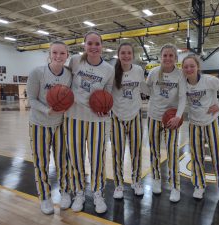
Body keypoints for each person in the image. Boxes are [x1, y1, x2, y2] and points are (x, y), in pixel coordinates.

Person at [65, 31, 114, 213]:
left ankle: (97, 193)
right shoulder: (75, 61)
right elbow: (66, 84)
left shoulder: (108, 69)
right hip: (73, 117)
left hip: (97, 120)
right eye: (90, 43)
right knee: (75, 158)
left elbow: (108, 94)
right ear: (84, 45)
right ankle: (78, 192)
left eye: (97, 44)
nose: (94, 47)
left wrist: (106, 107)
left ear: (102, 46)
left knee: (97, 159)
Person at [181, 54, 219, 204]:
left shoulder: (209, 80)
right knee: (196, 157)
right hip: (194, 124)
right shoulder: (183, 84)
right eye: (186, 67)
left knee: (218, 156)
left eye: (192, 66)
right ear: (183, 69)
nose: (189, 69)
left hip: (213, 121)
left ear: (198, 67)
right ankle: (199, 185)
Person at [27, 41, 72, 215]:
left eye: (62, 53)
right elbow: (31, 99)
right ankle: (45, 197)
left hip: (60, 124)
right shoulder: (37, 72)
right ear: (49, 54)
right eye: (55, 53)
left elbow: (69, 97)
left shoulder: (69, 74)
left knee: (63, 161)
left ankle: (65, 191)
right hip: (39, 124)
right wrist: (48, 110)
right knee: (42, 163)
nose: (58, 56)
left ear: (67, 55)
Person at [146, 44, 186, 202]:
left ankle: (175, 186)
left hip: (171, 119)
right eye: (165, 55)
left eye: (171, 55)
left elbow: (182, 97)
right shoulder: (154, 73)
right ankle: (156, 179)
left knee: (172, 152)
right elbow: (147, 89)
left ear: (175, 58)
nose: (168, 58)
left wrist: (178, 115)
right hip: (153, 117)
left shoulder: (180, 75)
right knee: (154, 151)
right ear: (160, 57)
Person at [111, 43, 145, 199]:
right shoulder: (112, 72)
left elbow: (144, 89)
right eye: (123, 53)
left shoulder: (138, 70)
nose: (126, 55)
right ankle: (118, 184)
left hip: (135, 115)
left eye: (129, 53)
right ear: (118, 55)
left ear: (133, 55)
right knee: (117, 153)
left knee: (136, 151)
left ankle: (136, 180)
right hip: (116, 116)